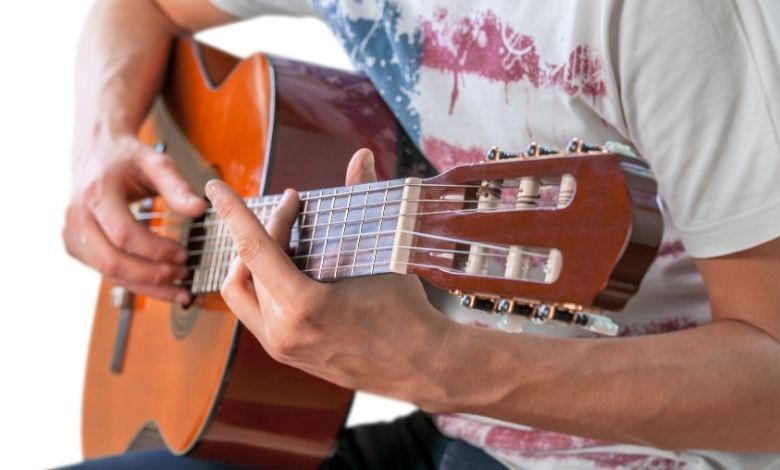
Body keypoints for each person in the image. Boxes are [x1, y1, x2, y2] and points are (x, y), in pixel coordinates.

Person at [63, 0, 780, 468]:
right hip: (457, 428)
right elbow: (138, 8)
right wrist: (100, 146)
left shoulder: (662, 15)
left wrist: (438, 363)